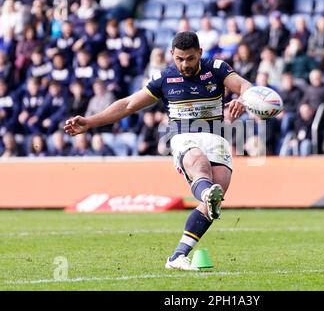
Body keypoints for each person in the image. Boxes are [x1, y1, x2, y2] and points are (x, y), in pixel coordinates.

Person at [64, 31, 250, 271]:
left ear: (200, 54)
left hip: (215, 137)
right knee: (199, 164)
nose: (185, 64)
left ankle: (178, 256)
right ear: (172, 54)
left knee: (220, 185)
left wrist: (242, 100)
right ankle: (206, 194)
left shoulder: (216, 68)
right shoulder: (164, 78)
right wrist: (90, 122)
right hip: (183, 137)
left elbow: (245, 85)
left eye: (191, 58)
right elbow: (128, 104)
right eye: (180, 59)